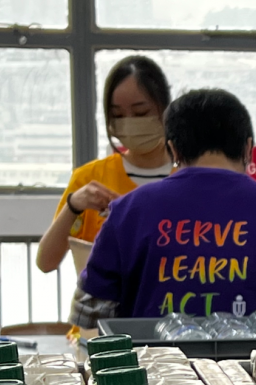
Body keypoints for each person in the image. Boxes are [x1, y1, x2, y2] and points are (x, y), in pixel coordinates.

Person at [70, 88, 256, 328]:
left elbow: (89, 314)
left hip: (155, 380)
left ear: (174, 150)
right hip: (254, 383)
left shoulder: (127, 211)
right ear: (248, 148)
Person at [37, 55, 174, 273]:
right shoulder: (90, 178)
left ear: (165, 109)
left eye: (141, 113)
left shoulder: (189, 177)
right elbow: (46, 262)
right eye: (118, 115)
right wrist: (73, 206)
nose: (129, 123)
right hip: (102, 306)